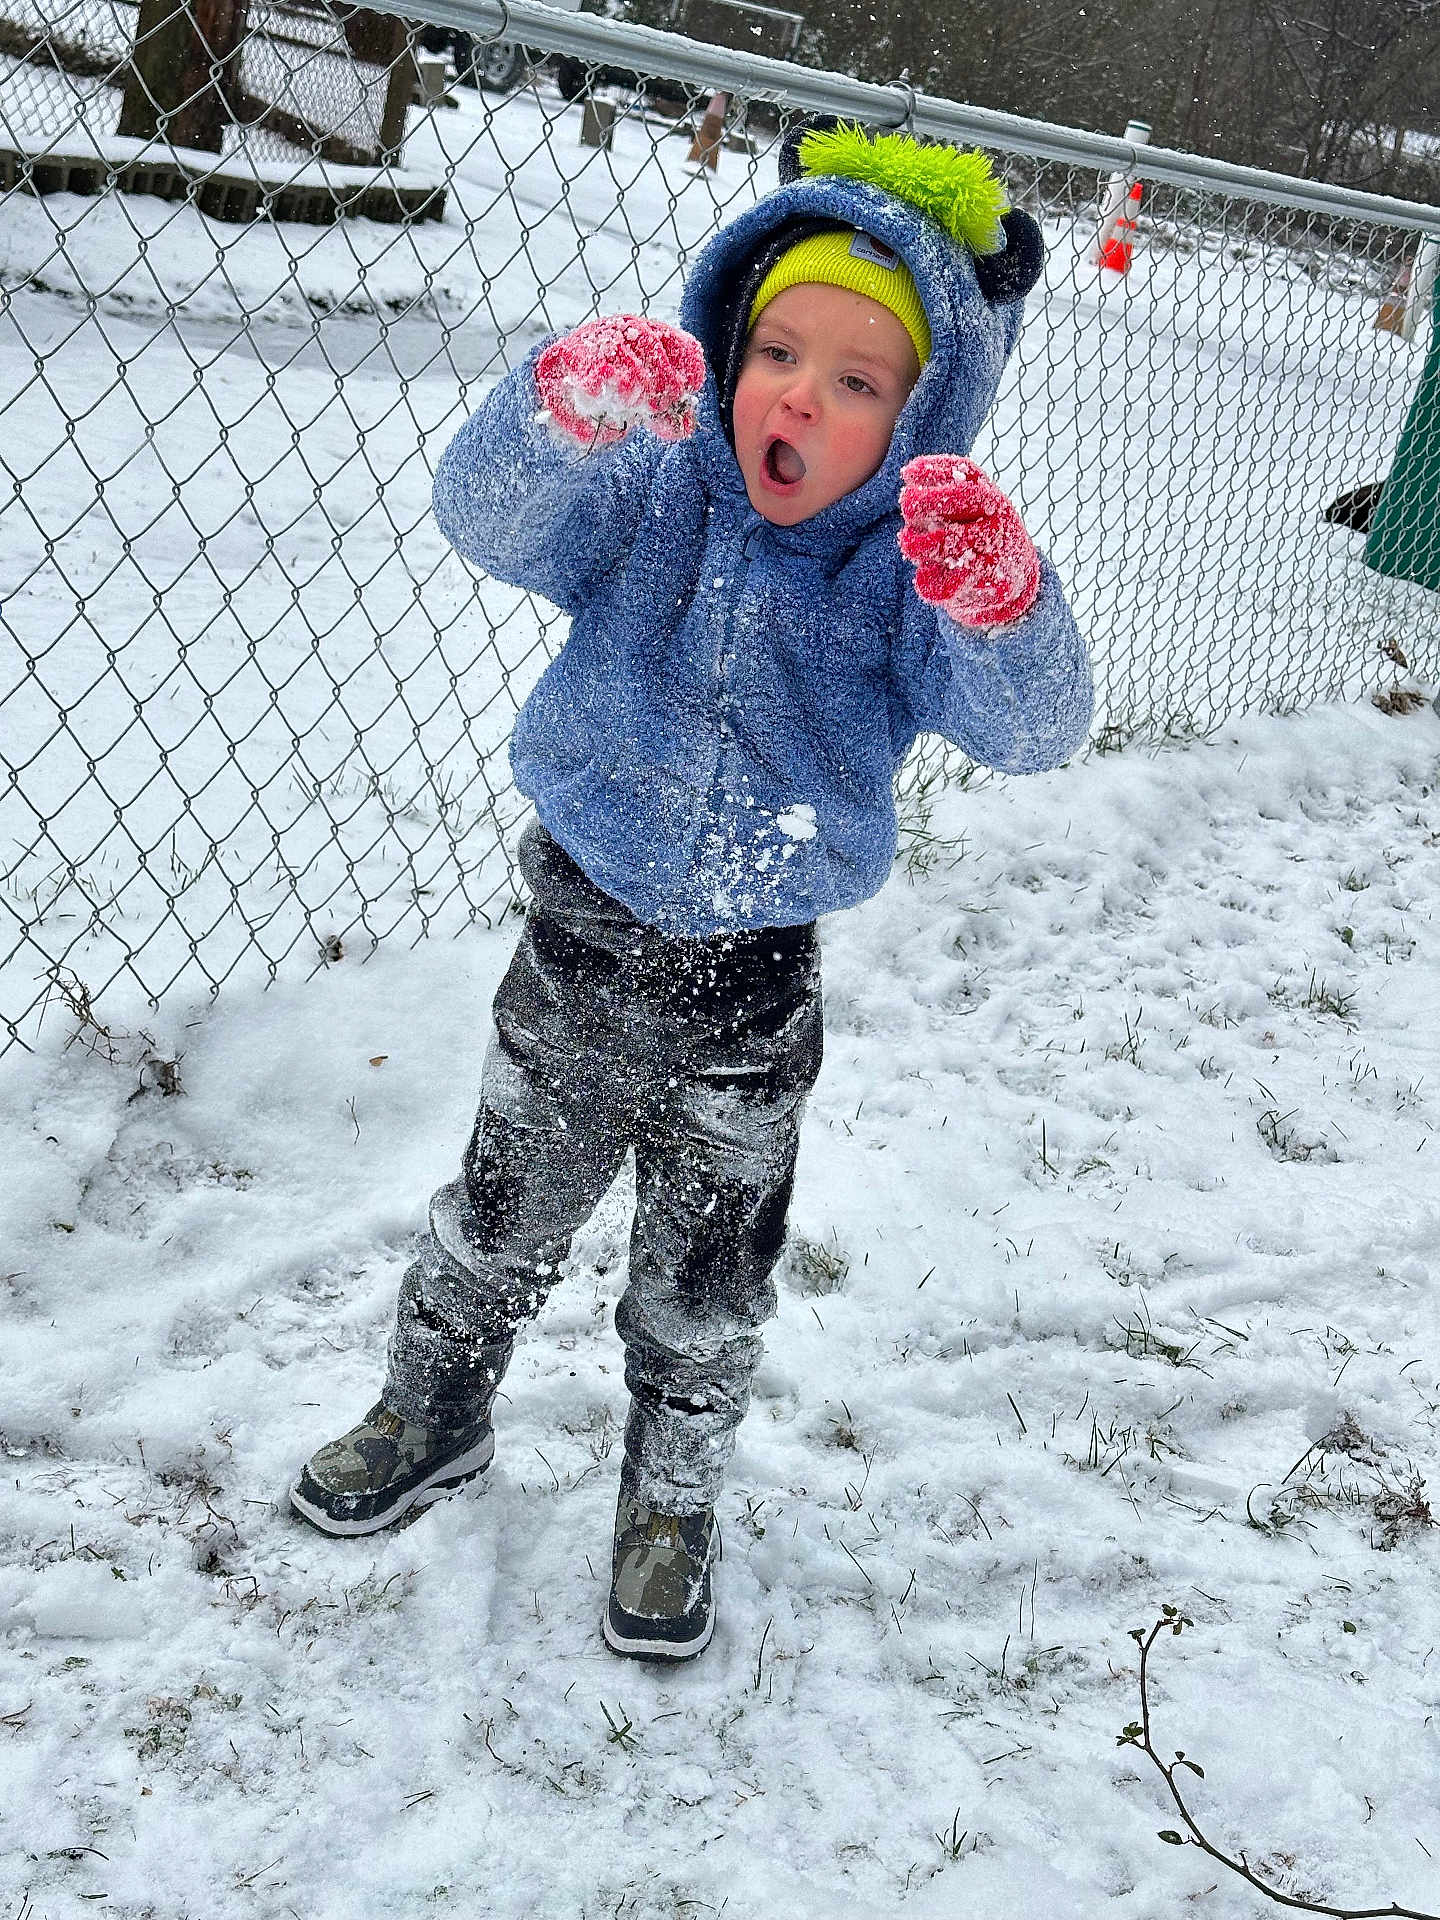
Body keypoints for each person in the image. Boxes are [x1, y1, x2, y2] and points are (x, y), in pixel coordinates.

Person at [288, 121, 1093, 1661]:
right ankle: (433, 1405)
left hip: (751, 987)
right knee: (498, 1213)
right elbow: (490, 516)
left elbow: (1033, 726)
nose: (799, 393)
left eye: (858, 382)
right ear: (727, 344)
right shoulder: (656, 494)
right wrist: (555, 418)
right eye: (779, 348)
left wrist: (1004, 605)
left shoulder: (902, 571)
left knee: (711, 1273)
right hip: (577, 943)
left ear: (921, 415)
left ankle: (669, 1493)